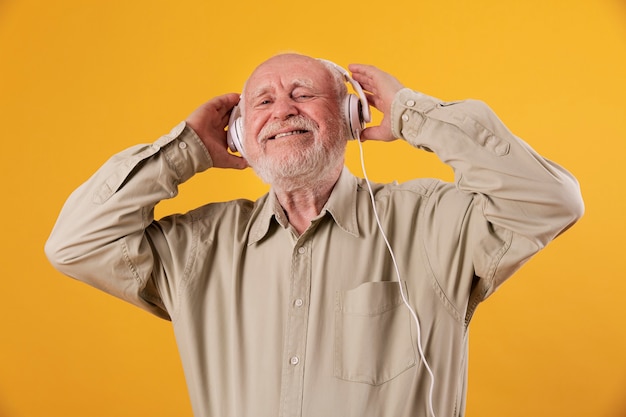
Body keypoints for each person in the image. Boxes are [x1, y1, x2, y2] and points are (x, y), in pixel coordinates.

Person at [45, 53, 584, 417]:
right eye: (261, 103)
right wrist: (184, 149)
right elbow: (73, 243)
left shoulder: (431, 223)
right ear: (238, 135)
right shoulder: (200, 249)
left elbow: (550, 201)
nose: (282, 110)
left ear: (351, 115)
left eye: (303, 95)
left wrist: (416, 117)